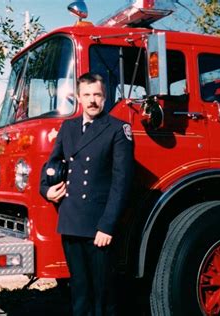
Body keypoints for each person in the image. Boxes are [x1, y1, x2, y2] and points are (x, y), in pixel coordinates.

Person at [40, 73, 134, 316]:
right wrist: (46, 190)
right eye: (87, 95)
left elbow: (121, 182)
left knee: (104, 296)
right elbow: (51, 165)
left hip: (98, 227)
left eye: (97, 95)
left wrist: (107, 226)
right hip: (71, 222)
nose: (92, 100)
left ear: (105, 97)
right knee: (80, 293)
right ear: (79, 98)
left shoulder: (117, 129)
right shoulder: (68, 127)